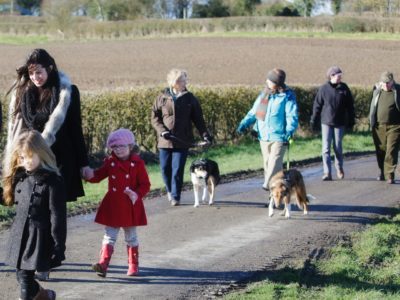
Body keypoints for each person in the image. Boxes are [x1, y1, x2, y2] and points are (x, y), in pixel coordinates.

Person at [3, 48, 90, 280]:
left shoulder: (66, 92)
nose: (35, 78)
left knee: (52, 211)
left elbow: (75, 129)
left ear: (50, 68)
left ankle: (45, 260)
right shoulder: (23, 92)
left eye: (39, 72)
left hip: (58, 159)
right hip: (28, 159)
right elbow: (16, 127)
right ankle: (29, 257)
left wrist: (84, 163)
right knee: (31, 210)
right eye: (31, 74)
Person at [2, 130, 66, 300]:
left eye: (29, 156)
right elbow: (8, 199)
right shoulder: (21, 178)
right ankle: (46, 295)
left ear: (41, 153)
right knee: (21, 276)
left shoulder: (53, 182)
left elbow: (57, 216)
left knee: (25, 280)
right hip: (19, 236)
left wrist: (58, 246)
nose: (25, 162)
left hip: (38, 238)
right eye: (21, 158)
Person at [84, 128, 151, 277]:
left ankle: (133, 265)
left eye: (122, 146)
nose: (118, 149)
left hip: (130, 205)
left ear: (130, 146)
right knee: (109, 236)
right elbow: (99, 175)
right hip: (113, 205)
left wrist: (136, 194)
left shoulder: (138, 163)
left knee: (131, 237)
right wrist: (89, 175)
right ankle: (103, 264)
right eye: (114, 147)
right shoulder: (110, 162)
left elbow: (145, 185)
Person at [151, 69, 212, 206]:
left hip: (182, 140)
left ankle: (175, 196)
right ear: (175, 82)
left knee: (177, 169)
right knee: (165, 169)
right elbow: (154, 118)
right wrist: (162, 131)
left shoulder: (190, 98)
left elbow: (199, 120)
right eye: (183, 80)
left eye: (185, 80)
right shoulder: (161, 97)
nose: (186, 82)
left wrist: (205, 135)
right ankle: (169, 190)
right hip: (164, 141)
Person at [237, 68, 298, 191]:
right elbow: (254, 111)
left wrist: (290, 131)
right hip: (264, 135)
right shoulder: (264, 94)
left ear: (277, 83)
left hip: (280, 136)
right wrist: (244, 123)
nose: (267, 81)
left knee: (274, 162)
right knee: (268, 165)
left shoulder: (287, 96)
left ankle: (267, 184)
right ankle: (275, 195)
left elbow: (292, 115)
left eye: (269, 80)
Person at [310, 66, 355, 181]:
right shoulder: (323, 89)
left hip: (340, 123)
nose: (340, 77)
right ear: (331, 76)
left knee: (338, 147)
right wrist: (313, 120)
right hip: (326, 122)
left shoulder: (344, 88)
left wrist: (351, 120)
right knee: (326, 148)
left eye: (341, 76)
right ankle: (327, 173)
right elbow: (317, 105)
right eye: (338, 76)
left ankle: (339, 168)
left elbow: (350, 106)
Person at [369, 71, 400, 184]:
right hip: (378, 126)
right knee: (380, 150)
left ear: (392, 81)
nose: (386, 85)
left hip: (395, 126)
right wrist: (371, 122)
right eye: (384, 83)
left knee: (391, 150)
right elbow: (372, 108)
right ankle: (382, 171)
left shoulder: (398, 90)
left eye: (388, 82)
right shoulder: (376, 91)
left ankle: (390, 175)